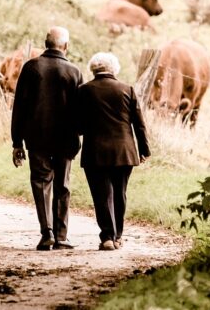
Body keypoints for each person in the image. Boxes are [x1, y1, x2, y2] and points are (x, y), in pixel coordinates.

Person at [11, 26, 83, 251]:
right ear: (66, 46)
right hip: (66, 139)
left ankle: (47, 233)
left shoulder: (31, 68)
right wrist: (78, 134)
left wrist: (17, 142)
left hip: (37, 137)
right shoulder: (74, 71)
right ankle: (62, 236)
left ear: (45, 43)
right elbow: (80, 110)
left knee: (41, 183)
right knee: (62, 185)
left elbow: (19, 107)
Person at [77, 52, 150, 251]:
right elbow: (139, 125)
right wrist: (144, 150)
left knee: (101, 195)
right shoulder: (127, 89)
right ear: (114, 69)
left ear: (93, 69)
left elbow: (78, 125)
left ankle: (107, 237)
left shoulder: (83, 91)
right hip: (124, 151)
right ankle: (118, 236)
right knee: (120, 193)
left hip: (95, 152)